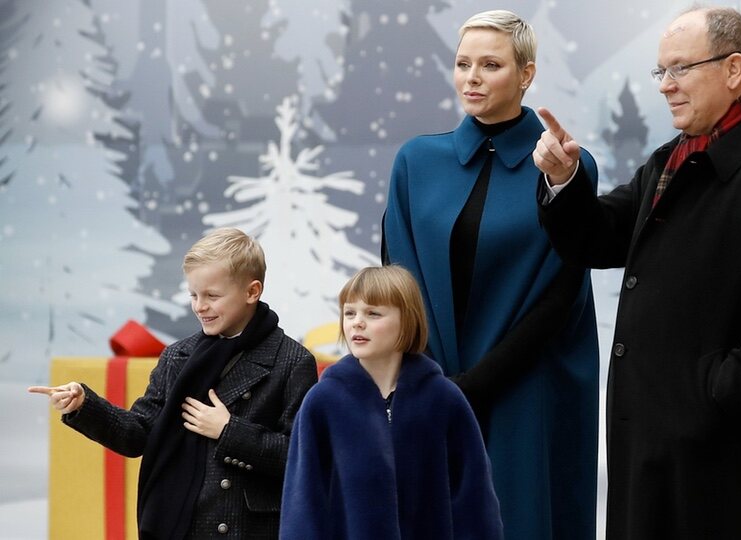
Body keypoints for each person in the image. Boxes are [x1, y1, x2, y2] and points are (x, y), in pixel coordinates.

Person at [534, 6, 741, 540]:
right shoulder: (672, 159)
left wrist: (715, 398)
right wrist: (565, 181)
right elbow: (599, 236)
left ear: (732, 69)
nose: (665, 86)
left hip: (725, 456)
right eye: (661, 72)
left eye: (679, 69)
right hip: (651, 445)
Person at [382, 9, 600, 539]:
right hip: (433, 381)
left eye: (490, 65)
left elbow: (561, 293)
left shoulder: (566, 164)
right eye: (462, 64)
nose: (472, 77)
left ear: (526, 74)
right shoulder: (416, 161)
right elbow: (398, 274)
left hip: (530, 385)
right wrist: (433, 376)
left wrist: (478, 384)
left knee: (521, 519)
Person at [29, 228, 317, 539]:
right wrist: (85, 405)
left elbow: (302, 457)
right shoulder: (178, 356)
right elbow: (137, 435)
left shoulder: (292, 361)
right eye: (193, 295)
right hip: (179, 527)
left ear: (252, 291)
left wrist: (229, 430)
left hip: (247, 530)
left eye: (212, 296)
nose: (199, 306)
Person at [279, 265, 503, 539]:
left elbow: (475, 500)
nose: (357, 322)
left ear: (407, 320)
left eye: (373, 313)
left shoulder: (443, 400)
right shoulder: (323, 402)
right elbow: (303, 505)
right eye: (350, 313)